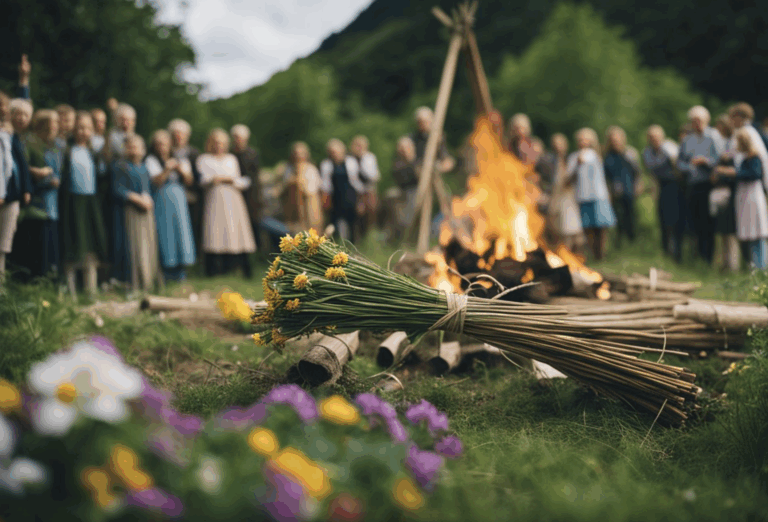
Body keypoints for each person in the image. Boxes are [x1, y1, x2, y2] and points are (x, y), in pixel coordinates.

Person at [59, 112, 108, 298]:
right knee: (72, 243)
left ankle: (91, 291)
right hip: (72, 203)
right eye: (80, 127)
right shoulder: (68, 151)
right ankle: (71, 292)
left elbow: (102, 176)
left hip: (90, 204)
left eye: (87, 128)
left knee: (91, 245)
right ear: (73, 129)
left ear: (92, 131)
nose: (83, 131)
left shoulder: (94, 154)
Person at [196, 128, 256, 278]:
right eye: (216, 142)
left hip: (233, 199)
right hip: (215, 199)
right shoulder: (204, 159)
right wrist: (215, 179)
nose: (219, 146)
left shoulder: (231, 159)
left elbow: (240, 179)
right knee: (214, 231)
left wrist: (229, 180)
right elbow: (203, 180)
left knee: (235, 230)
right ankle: (213, 269)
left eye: (222, 143)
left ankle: (238, 267)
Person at [112, 135, 162, 292]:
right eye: (130, 146)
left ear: (143, 149)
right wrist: (136, 199)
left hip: (146, 211)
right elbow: (117, 189)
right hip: (130, 211)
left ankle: (149, 281)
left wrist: (147, 197)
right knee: (136, 246)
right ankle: (135, 283)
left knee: (149, 245)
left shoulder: (144, 168)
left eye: (137, 146)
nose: (134, 149)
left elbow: (149, 188)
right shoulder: (120, 166)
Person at [145, 130, 196, 282]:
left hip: (179, 199)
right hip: (162, 198)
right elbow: (156, 181)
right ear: (154, 146)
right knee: (165, 232)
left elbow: (189, 181)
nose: (162, 147)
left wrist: (180, 169)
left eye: (165, 144)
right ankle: (167, 270)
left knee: (181, 231)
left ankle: (182, 270)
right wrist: (167, 169)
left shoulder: (180, 159)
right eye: (159, 144)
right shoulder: (151, 161)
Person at [714, 128, 768, 269]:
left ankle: (761, 265)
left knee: (757, 232)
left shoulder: (754, 157)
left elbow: (754, 174)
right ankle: (755, 266)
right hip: (744, 196)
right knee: (750, 233)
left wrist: (734, 173)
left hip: (753, 196)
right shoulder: (742, 158)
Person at [677, 106, 719, 264]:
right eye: (694, 121)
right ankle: (698, 258)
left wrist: (705, 162)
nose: (696, 124)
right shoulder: (687, 140)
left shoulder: (714, 136)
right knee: (695, 222)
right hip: (693, 184)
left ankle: (710, 258)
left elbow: (720, 159)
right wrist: (690, 167)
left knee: (709, 223)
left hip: (709, 184)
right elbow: (680, 162)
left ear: (706, 121)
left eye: (699, 121)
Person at [566, 127, 615, 261]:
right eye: (580, 139)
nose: (582, 142)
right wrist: (577, 165)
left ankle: (602, 255)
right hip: (582, 196)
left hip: (599, 195)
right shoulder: (573, 157)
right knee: (588, 228)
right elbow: (568, 179)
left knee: (601, 226)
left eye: (585, 139)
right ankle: (593, 254)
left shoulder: (595, 155)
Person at [0, 98, 34, 285]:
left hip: (11, 196)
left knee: (4, 245)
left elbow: (20, 164)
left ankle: (2, 290)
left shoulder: (13, 137)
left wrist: (26, 189)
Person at [27, 110, 63, 276]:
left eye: (56, 124)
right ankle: (38, 283)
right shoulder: (31, 144)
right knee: (38, 249)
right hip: (37, 205)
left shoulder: (56, 147)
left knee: (52, 248)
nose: (54, 127)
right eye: (51, 124)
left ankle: (51, 283)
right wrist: (46, 180)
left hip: (54, 206)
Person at [642, 125, 684, 262]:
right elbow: (650, 169)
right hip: (660, 186)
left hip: (675, 186)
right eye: (652, 137)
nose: (654, 140)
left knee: (676, 220)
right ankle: (666, 252)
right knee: (663, 221)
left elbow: (678, 166)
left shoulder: (670, 147)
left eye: (656, 137)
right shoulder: (647, 152)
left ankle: (678, 254)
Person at [709, 115, 739, 272]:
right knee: (723, 229)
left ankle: (733, 264)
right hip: (722, 190)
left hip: (732, 190)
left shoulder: (734, 142)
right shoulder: (722, 143)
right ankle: (725, 263)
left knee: (731, 229)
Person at [320, 139, 366, 243]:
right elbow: (326, 186)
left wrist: (360, 200)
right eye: (332, 152)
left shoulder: (351, 162)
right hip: (334, 198)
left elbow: (356, 182)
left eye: (336, 151)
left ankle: (354, 247)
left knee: (353, 225)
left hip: (350, 196)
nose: (334, 154)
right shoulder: (326, 165)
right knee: (333, 225)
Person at [169, 118, 203, 256]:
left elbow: (199, 178)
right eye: (175, 133)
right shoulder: (167, 152)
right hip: (171, 197)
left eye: (182, 134)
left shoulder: (194, 153)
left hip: (191, 197)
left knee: (193, 227)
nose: (179, 137)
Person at [603, 126, 642, 246]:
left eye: (617, 139)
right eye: (613, 140)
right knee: (617, 218)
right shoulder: (607, 156)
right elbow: (605, 176)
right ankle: (619, 244)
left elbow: (638, 172)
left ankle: (632, 242)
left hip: (629, 190)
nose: (615, 142)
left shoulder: (630, 153)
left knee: (630, 216)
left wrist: (638, 185)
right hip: (614, 192)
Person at [546, 133, 584, 252]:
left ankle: (574, 258)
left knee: (575, 233)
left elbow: (570, 181)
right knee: (562, 232)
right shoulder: (550, 161)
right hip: (557, 198)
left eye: (560, 144)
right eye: (556, 144)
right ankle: (565, 256)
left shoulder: (570, 159)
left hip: (570, 198)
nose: (558, 147)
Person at [283, 141, 323, 234]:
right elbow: (284, 186)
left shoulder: (311, 168)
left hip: (309, 205)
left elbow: (313, 188)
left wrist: (301, 185)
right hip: (293, 207)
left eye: (301, 153)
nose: (298, 156)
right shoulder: (289, 169)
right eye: (296, 153)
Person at [230, 124, 261, 239]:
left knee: (253, 225)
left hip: (251, 196)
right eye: (236, 137)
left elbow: (254, 177)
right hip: (233, 195)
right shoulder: (230, 154)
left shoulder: (253, 154)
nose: (238, 140)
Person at [350, 135, 380, 238]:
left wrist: (362, 163)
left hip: (369, 191)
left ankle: (369, 238)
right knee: (357, 217)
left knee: (370, 215)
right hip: (356, 192)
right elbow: (352, 178)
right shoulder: (349, 159)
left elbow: (374, 176)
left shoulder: (370, 158)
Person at [391, 136, 419, 233]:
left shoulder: (418, 161)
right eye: (401, 148)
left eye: (405, 148)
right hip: (403, 191)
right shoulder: (398, 163)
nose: (403, 151)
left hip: (417, 191)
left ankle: (407, 230)